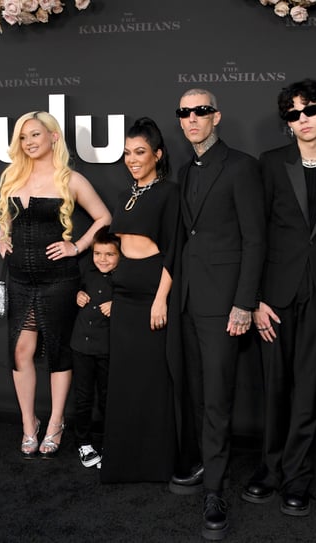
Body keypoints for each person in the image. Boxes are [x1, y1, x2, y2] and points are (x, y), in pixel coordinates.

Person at [244, 79, 316, 516]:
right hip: (276, 294)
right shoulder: (271, 163)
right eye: (292, 115)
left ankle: (298, 476)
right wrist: (255, 298)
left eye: (309, 110)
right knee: (276, 388)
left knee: (308, 389)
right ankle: (269, 470)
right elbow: (256, 234)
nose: (302, 120)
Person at [170, 88, 265, 540]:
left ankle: (215, 489)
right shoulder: (187, 169)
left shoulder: (243, 167)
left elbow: (255, 239)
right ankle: (207, 468)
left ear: (217, 117)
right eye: (185, 113)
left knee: (218, 399)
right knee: (196, 394)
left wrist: (244, 302)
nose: (192, 119)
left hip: (225, 305)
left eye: (200, 111)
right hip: (188, 301)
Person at [0, 111, 111, 459]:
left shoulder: (71, 179)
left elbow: (104, 217)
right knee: (21, 352)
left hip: (59, 281)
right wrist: (3, 235)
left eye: (35, 135)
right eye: (24, 137)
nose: (29, 142)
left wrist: (77, 246)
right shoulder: (12, 177)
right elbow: (5, 219)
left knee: (59, 352)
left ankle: (56, 422)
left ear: (53, 137)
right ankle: (30, 424)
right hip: (19, 280)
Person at [100, 117, 180, 483]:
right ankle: (123, 461)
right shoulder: (123, 195)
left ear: (157, 154)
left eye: (140, 152)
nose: (132, 159)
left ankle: (154, 464)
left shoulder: (169, 192)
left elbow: (173, 252)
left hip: (151, 295)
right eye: (128, 152)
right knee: (124, 380)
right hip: (124, 296)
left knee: (152, 381)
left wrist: (161, 299)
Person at [69, 226, 120, 470]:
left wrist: (118, 305)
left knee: (109, 398)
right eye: (98, 253)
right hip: (81, 345)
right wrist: (78, 294)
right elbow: (77, 292)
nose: (102, 259)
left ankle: (111, 444)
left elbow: (137, 303)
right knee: (82, 398)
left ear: (120, 256)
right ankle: (84, 443)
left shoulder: (123, 279)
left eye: (109, 254)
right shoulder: (87, 271)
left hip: (107, 349)